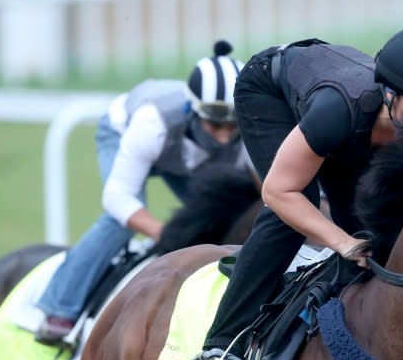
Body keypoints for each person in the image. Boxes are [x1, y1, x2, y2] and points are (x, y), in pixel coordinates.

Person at [189, 15, 403, 360]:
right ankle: (222, 342)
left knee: (370, 231)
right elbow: (277, 191)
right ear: (389, 94)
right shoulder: (338, 114)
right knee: (294, 205)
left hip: (342, 111)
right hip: (270, 93)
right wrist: (341, 241)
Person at [36, 41, 254, 344]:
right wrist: (165, 234)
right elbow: (117, 198)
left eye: (233, 128)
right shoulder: (152, 122)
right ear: (191, 111)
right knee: (121, 221)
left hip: (183, 153)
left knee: (224, 212)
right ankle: (60, 308)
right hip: (123, 133)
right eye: (215, 126)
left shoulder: (243, 131)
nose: (224, 137)